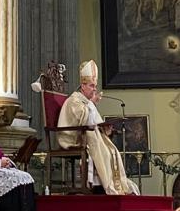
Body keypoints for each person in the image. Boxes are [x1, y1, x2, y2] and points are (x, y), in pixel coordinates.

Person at [57, 60, 138, 195]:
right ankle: (102, 186)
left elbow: (94, 123)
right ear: (83, 86)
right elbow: (83, 121)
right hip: (74, 137)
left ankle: (110, 185)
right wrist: (92, 104)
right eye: (91, 85)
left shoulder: (86, 102)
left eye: (95, 86)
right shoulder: (74, 101)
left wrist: (105, 129)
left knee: (113, 151)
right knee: (104, 152)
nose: (95, 89)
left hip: (88, 135)